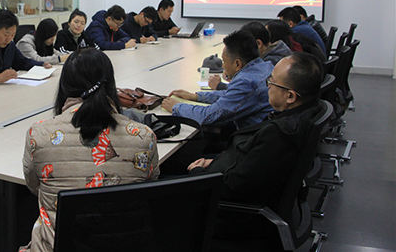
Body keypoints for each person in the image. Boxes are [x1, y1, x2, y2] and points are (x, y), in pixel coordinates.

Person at [21, 48, 159, 252]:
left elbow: (34, 187)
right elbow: (150, 183)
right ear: (111, 85)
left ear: (64, 86)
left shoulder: (38, 134)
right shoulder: (144, 135)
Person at [186, 52, 326, 243]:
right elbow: (249, 167)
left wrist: (198, 173)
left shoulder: (278, 136)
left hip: (233, 219)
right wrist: (215, 162)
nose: (267, 85)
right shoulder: (303, 115)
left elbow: (231, 188)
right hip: (251, 196)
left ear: (290, 96)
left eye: (272, 82)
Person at [162, 30, 274, 129]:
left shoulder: (246, 81)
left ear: (237, 64)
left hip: (250, 140)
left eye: (224, 61)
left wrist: (177, 107)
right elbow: (230, 95)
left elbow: (209, 116)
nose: (223, 66)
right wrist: (196, 97)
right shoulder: (265, 66)